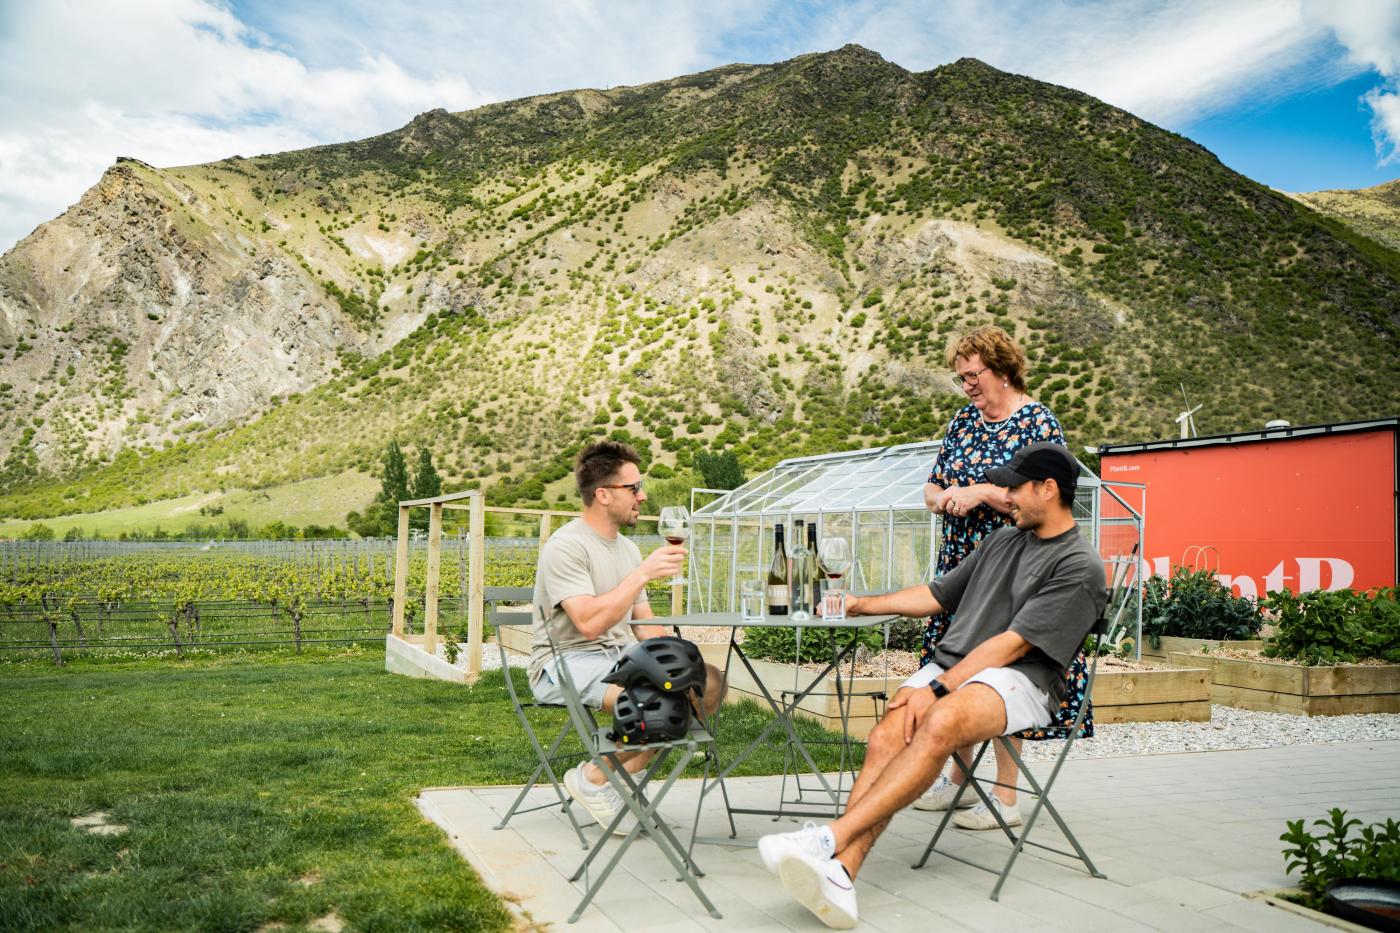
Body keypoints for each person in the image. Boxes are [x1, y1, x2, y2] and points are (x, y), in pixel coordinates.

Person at [757, 442, 1107, 929]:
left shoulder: (1079, 565)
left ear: (1048, 490)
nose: (1005, 496)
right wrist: (861, 604)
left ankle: (827, 839)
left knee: (937, 721)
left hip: (1021, 679)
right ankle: (841, 872)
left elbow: (1011, 645)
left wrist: (938, 689)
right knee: (886, 736)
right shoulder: (1003, 541)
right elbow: (936, 595)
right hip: (957, 665)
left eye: (1014, 487)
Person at [919, 324, 1091, 830]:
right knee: (958, 662)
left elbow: (1047, 495)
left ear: (1002, 369)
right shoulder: (962, 423)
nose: (968, 385)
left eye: (974, 375)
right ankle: (957, 782)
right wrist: (942, 497)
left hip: (1017, 562)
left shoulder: (1037, 422)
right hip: (962, 560)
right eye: (962, 377)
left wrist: (978, 493)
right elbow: (931, 485)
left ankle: (1006, 796)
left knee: (1000, 671)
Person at [530, 439, 725, 833]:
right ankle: (595, 778)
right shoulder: (566, 547)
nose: (643, 495)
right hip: (566, 660)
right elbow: (587, 624)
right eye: (634, 488)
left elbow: (646, 626)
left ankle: (620, 775)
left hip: (619, 655)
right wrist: (641, 576)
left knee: (706, 684)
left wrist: (680, 662)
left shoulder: (630, 549)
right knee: (659, 708)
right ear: (603, 495)